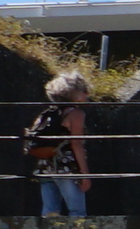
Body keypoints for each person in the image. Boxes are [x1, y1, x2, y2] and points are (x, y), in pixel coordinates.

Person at [23, 73, 92, 216]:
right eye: (84, 90)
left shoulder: (48, 114)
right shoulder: (76, 114)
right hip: (66, 168)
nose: (87, 94)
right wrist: (85, 174)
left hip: (45, 165)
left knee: (50, 210)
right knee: (77, 210)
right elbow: (76, 144)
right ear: (75, 93)